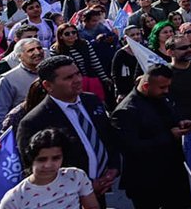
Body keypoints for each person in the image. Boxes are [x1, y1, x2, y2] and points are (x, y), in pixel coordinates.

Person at [16, 55, 122, 203]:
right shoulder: (34, 122)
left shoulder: (92, 101)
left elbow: (107, 137)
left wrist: (113, 168)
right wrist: (84, 186)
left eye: (78, 74)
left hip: (101, 189)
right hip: (65, 198)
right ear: (48, 86)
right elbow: (38, 169)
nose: (78, 80)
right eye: (68, 78)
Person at [111, 64, 191, 209]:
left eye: (168, 86)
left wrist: (180, 123)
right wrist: (169, 136)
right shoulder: (126, 111)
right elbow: (132, 147)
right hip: (146, 180)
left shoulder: (161, 98)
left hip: (172, 175)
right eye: (162, 88)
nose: (166, 91)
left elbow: (169, 118)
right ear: (145, 86)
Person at [0, 128, 99, 209]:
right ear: (31, 159)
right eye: (42, 159)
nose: (48, 165)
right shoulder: (14, 198)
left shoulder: (76, 176)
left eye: (56, 158)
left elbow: (92, 206)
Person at [0, 38, 43, 132]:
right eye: (31, 50)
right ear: (20, 56)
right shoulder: (8, 79)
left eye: (39, 48)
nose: (37, 52)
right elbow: (0, 113)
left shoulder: (52, 73)